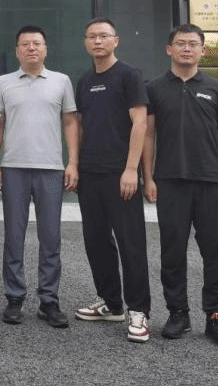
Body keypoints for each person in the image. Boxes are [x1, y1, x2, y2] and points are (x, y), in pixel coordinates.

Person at [142, 23, 218, 350]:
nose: (187, 48)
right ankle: (178, 314)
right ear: (169, 49)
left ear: (203, 50)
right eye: (180, 43)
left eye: (193, 44)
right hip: (170, 181)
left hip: (211, 181)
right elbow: (148, 135)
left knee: (215, 251)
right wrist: (148, 177)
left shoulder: (216, 88)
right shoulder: (154, 88)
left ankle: (217, 317)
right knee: (172, 251)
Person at [0, 25, 78, 328]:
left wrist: (73, 162)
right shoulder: (3, 82)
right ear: (17, 50)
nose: (31, 48)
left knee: (51, 237)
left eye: (37, 43)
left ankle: (49, 300)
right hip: (13, 167)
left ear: (45, 49)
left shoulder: (61, 81)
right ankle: (14, 297)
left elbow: (70, 123)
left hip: (51, 169)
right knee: (13, 236)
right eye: (25, 44)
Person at [73, 18, 151, 343]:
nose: (98, 41)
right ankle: (112, 303)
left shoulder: (129, 75)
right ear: (85, 42)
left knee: (131, 244)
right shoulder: (84, 81)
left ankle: (139, 311)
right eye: (92, 36)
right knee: (96, 241)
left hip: (121, 174)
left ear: (116, 40)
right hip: (90, 173)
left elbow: (140, 124)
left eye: (104, 36)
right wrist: (75, 165)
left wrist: (132, 169)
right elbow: (79, 126)